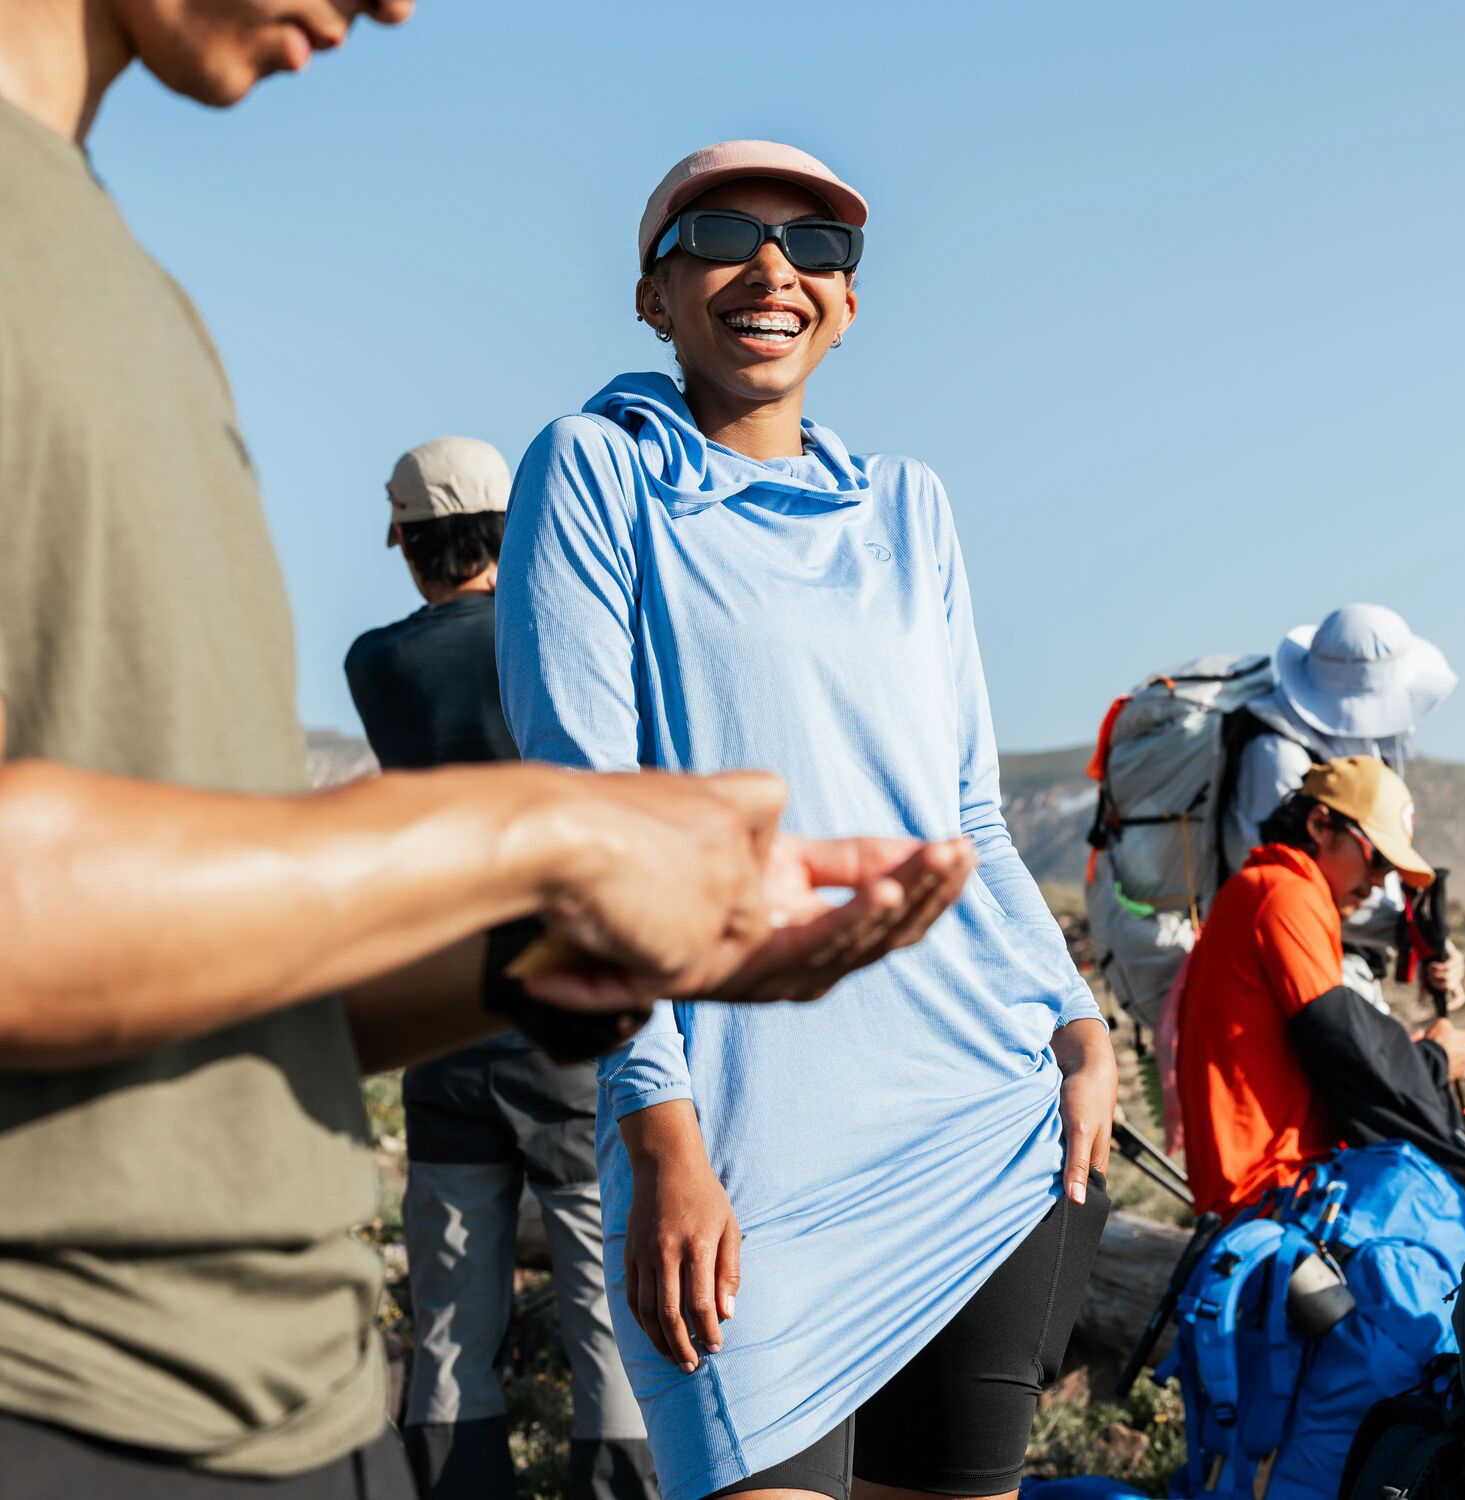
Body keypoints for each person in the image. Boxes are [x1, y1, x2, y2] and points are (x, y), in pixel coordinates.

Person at [0, 11, 974, 1495]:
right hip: (65, 1398)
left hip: (284, 1402)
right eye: (722, 234)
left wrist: (540, 962)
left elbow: (198, 974)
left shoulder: (107, 267)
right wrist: (536, 841)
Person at [496, 140, 1119, 1500]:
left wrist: (1077, 1020)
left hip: (978, 1131)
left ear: (848, 302)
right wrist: (659, 1134)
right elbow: (591, 829)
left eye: (819, 247)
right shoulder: (595, 474)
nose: (774, 269)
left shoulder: (910, 508)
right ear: (654, 295)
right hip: (740, 1165)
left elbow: (963, 815)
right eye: (722, 233)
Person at [346, 437, 657, 1500]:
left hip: (440, 1020)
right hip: (566, 1017)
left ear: (408, 544)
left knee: (445, 1331)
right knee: (606, 1326)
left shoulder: (375, 664)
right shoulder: (555, 643)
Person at [1177, 756, 1465, 1235]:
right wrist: (1433, 1059)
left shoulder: (1262, 890)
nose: (1377, 883)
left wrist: (1410, 1053)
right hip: (1279, 1189)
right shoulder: (1284, 893)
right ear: (1320, 824)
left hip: (1274, 1182)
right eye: (1378, 860)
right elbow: (1343, 1044)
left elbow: (1325, 1041)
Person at [1221, 603, 1464, 1011]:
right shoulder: (1277, 754)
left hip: (1338, 959)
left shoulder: (1358, 746)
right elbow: (1289, 881)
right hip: (1299, 965)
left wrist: (1427, 942)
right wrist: (1412, 935)